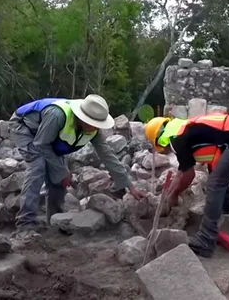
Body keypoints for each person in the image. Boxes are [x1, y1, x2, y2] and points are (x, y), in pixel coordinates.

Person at [10, 94, 146, 238]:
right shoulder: (57, 116)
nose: (94, 127)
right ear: (81, 117)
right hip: (24, 128)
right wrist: (63, 171)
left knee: (58, 176)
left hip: (47, 138)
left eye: (97, 124)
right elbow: (41, 145)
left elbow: (107, 156)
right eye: (91, 123)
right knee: (38, 166)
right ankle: (25, 225)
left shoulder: (94, 130)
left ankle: (56, 220)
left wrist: (129, 186)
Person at [145, 112, 229, 257]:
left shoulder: (176, 139)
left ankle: (206, 240)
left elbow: (188, 175)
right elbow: (182, 171)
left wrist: (174, 196)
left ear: (159, 141)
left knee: (215, 183)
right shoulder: (182, 130)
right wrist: (168, 195)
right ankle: (226, 210)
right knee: (217, 177)